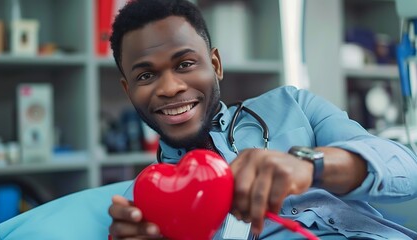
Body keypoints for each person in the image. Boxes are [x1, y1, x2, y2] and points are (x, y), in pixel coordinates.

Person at [107, 0, 417, 239]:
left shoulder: (293, 104)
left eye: (186, 63)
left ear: (215, 64)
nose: (170, 88)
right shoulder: (144, 202)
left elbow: (407, 170)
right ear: (128, 89)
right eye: (146, 75)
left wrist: (312, 166)